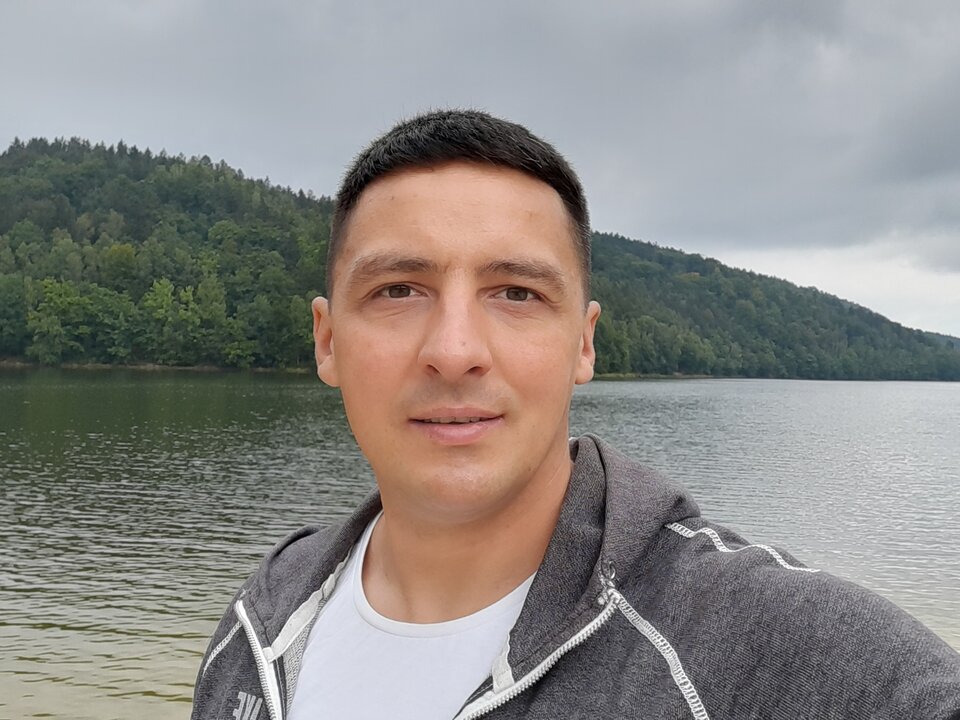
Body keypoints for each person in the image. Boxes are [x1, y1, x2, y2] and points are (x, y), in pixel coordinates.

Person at [191, 110, 960, 720]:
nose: (454, 351)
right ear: (328, 341)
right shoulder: (265, 615)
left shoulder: (765, 640)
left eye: (516, 294)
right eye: (398, 290)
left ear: (583, 345)